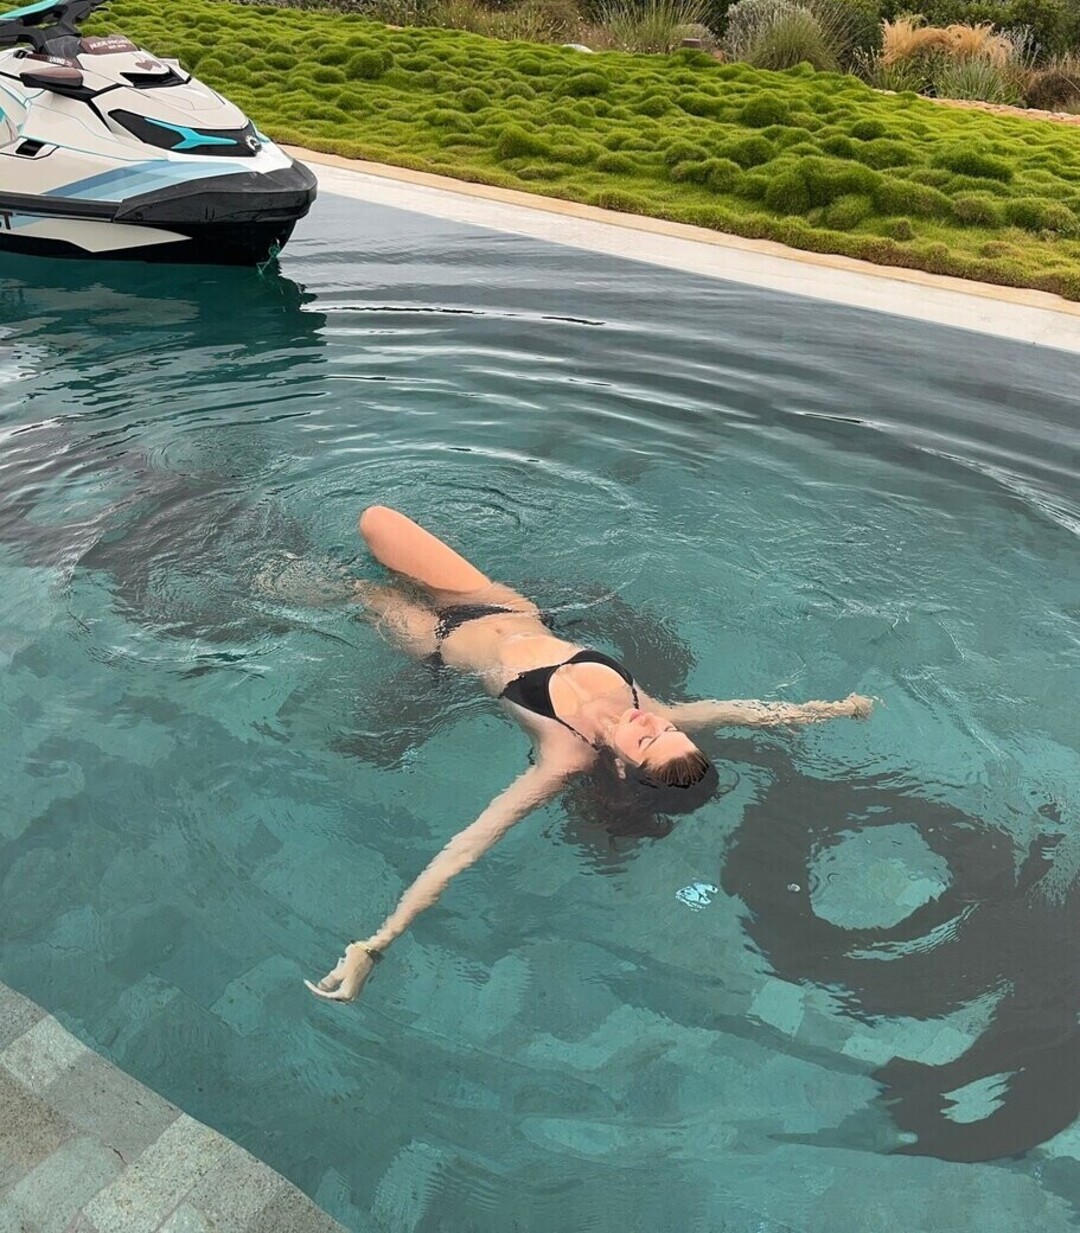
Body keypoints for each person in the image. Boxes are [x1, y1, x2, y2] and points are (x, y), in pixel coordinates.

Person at [304, 505, 873, 1003]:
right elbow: (733, 711)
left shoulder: (562, 758)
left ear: (623, 767)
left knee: (316, 580)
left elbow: (466, 848)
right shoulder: (645, 707)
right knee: (376, 521)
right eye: (668, 730)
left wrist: (376, 944)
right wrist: (829, 710)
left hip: (435, 640)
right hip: (497, 603)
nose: (652, 722)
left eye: (649, 739)